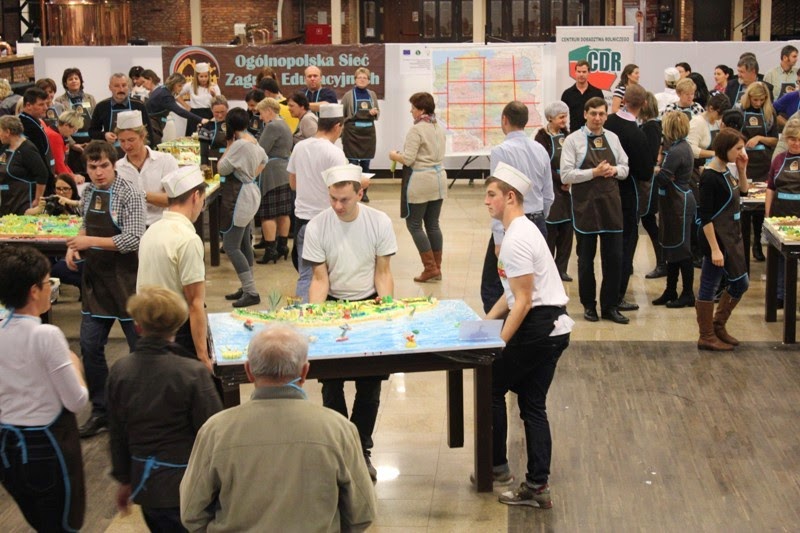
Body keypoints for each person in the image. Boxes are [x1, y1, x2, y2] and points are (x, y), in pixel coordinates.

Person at [179, 326, 377, 531]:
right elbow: (363, 513)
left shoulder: (215, 431)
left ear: (249, 371)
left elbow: (191, 512)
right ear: (304, 372)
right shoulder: (340, 430)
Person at [482, 162, 572, 508]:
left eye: (491, 195)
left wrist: (498, 343)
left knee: (491, 384)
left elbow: (522, 302)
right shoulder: (522, 230)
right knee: (533, 403)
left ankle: (496, 467)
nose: (486, 201)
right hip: (554, 326)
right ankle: (537, 485)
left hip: (539, 326)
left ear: (510, 197)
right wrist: (484, 322)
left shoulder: (516, 239)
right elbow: (511, 295)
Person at [305, 163, 397, 482]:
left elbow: (383, 273)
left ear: (360, 192)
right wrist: (315, 318)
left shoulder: (379, 222)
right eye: (332, 198)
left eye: (344, 199)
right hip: (333, 306)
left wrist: (386, 311)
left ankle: (360, 450)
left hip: (369, 305)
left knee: (370, 385)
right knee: (331, 384)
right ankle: (340, 450)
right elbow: (320, 279)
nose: (337, 206)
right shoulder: (317, 226)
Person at [107, 286, 222, 532]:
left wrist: (124, 479)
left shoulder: (120, 371)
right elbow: (213, 432)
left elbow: (117, 433)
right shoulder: (192, 373)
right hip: (189, 486)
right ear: (178, 325)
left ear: (137, 326)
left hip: (146, 486)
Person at [0, 246, 89, 532]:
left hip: (7, 447)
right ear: (34, 291)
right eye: (47, 282)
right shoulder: (46, 335)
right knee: (62, 525)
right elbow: (76, 401)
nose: (51, 288)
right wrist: (75, 364)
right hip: (46, 447)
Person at [66, 140, 145, 437]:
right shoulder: (88, 192)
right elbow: (85, 223)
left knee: (140, 350)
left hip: (126, 282)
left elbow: (133, 239)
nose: (98, 172)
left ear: (114, 165)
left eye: (104, 166)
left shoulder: (130, 193)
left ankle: (139, 412)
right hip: (96, 281)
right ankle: (102, 409)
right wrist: (74, 245)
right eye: (92, 167)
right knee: (89, 347)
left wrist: (89, 242)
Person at [561, 97, 630, 324]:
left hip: (610, 205)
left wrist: (614, 170)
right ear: (585, 114)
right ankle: (589, 306)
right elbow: (566, 175)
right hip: (585, 206)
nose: (597, 118)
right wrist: (594, 173)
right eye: (593, 114)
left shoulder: (613, 138)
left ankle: (610, 306)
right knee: (585, 260)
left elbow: (626, 168)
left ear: (606, 115)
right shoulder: (573, 140)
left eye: (601, 114)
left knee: (614, 259)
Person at [479, 100, 553, 311]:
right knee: (534, 282)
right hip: (537, 220)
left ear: (504, 120)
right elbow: (548, 195)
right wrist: (539, 217)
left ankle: (500, 327)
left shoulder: (501, 151)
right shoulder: (540, 149)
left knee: (493, 285)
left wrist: (498, 238)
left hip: (511, 223)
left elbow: (497, 195)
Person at [137, 164, 213, 369]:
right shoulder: (187, 239)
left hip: (148, 327)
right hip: (178, 332)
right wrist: (203, 356)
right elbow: (195, 303)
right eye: (203, 200)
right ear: (196, 196)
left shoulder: (152, 231)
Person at [288, 103, 351, 301]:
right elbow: (342, 189)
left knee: (306, 275)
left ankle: (303, 315)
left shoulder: (299, 147)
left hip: (302, 220)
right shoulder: (335, 153)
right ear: (338, 126)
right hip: (327, 220)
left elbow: (293, 183)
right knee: (331, 276)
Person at [696, 129, 749, 351]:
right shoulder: (710, 176)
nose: (742, 152)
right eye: (738, 148)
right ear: (724, 148)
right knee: (709, 284)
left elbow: (743, 192)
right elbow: (705, 217)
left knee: (741, 282)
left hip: (732, 237)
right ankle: (706, 335)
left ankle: (718, 326)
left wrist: (742, 169)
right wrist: (715, 249)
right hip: (716, 239)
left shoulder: (727, 169)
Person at [604, 84, 653, 313]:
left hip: (604, 191)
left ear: (623, 100)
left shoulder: (608, 123)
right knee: (625, 246)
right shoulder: (637, 134)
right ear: (644, 104)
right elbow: (644, 172)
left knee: (608, 246)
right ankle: (617, 297)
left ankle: (606, 294)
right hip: (627, 193)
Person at [389, 92, 448, 283]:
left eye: (413, 108)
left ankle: (430, 268)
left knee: (414, 225)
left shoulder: (416, 130)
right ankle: (437, 268)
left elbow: (408, 159)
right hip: (439, 180)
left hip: (421, 181)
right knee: (433, 224)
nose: (411, 111)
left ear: (421, 110)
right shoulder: (438, 127)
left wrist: (393, 156)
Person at [218, 107, 267, 308]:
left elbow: (222, 168)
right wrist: (251, 175)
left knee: (231, 246)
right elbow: (265, 159)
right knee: (245, 243)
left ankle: (251, 291)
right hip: (250, 191)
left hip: (239, 197)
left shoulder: (238, 144)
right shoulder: (252, 140)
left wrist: (229, 146)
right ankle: (247, 286)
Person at [652, 111, 696, 308]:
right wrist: (663, 173)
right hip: (671, 202)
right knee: (671, 248)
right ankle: (670, 290)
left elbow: (663, 178)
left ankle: (687, 293)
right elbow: (666, 176)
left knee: (682, 249)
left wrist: (657, 171)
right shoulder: (678, 147)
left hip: (679, 203)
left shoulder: (678, 150)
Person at [114, 110, 177, 227]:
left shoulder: (165, 161)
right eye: (122, 141)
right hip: (130, 228)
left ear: (142, 136)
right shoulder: (118, 168)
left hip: (161, 225)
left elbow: (173, 199)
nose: (126, 146)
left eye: (131, 140)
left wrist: (139, 194)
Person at [740, 82, 778, 263]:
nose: (758, 103)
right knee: (746, 205)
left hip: (763, 163)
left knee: (759, 207)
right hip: (745, 162)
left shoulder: (769, 113)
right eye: (755, 100)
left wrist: (760, 137)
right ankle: (744, 247)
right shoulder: (740, 111)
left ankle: (757, 244)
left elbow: (775, 140)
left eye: (761, 100)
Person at [765, 118, 800, 308]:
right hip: (780, 213)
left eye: (799, 140)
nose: (796, 143)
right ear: (786, 139)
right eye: (792, 139)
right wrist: (767, 216)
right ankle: (780, 295)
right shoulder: (779, 159)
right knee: (779, 257)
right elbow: (770, 188)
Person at [536, 101, 573, 282]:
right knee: (551, 232)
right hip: (551, 187)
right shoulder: (541, 137)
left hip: (567, 189)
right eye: (561, 117)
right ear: (550, 118)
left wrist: (570, 179)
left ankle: (562, 269)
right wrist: (561, 179)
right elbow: (543, 166)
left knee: (567, 232)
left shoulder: (568, 135)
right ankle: (549, 270)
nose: (564, 121)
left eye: (566, 117)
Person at [255, 97, 293, 265]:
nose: (260, 117)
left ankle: (270, 250)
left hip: (271, 174)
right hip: (284, 171)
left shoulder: (272, 126)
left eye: (261, 113)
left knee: (268, 213)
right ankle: (282, 246)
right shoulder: (284, 123)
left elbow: (260, 150)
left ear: (269, 111)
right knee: (283, 212)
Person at [341, 67, 379, 203]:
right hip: (352, 134)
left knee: (366, 165)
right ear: (355, 80)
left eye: (365, 78)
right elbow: (342, 114)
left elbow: (378, 112)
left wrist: (375, 112)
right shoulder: (348, 95)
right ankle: (353, 192)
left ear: (368, 81)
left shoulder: (372, 95)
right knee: (353, 165)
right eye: (359, 77)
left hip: (368, 134)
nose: (362, 80)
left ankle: (364, 193)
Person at [90, 73, 153, 153]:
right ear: (110, 87)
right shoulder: (101, 106)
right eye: (117, 86)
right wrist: (104, 135)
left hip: (136, 152)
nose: (121, 89)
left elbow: (148, 132)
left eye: (124, 85)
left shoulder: (139, 105)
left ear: (128, 86)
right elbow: (92, 132)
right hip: (112, 153)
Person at [0, 115, 50, 215]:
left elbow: (42, 174)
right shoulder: (5, 147)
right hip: (7, 199)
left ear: (8, 132)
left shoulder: (27, 149)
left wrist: (37, 199)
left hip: (23, 201)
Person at [639, 92, 666, 279]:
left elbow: (649, 154)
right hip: (647, 179)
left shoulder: (651, 127)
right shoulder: (651, 125)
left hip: (648, 181)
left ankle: (662, 262)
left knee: (649, 221)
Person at [147, 73, 208, 146]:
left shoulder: (162, 89)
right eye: (179, 86)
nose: (181, 88)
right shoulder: (166, 96)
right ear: (173, 84)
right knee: (155, 147)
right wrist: (201, 119)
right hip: (152, 124)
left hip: (153, 122)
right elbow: (180, 111)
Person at [55, 67, 96, 174]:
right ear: (65, 83)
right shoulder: (59, 101)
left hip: (90, 143)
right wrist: (73, 144)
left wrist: (91, 142)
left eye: (76, 78)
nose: (74, 81)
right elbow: (60, 125)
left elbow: (96, 120)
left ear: (80, 81)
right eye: (70, 79)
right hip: (70, 143)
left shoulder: (90, 98)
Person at [561, 59, 604, 133]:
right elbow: (561, 116)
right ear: (575, 72)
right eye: (579, 71)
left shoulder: (597, 93)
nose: (581, 74)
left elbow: (602, 114)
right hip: (573, 133)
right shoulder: (567, 94)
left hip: (594, 133)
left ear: (588, 73)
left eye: (584, 72)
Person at [19, 87, 54, 176]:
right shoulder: (28, 126)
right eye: (41, 104)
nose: (46, 108)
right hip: (33, 178)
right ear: (28, 105)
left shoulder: (33, 122)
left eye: (46, 104)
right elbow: (38, 158)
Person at [178, 62, 219, 135]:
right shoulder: (190, 85)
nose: (204, 79)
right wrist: (186, 106)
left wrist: (214, 95)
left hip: (209, 114)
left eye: (206, 76)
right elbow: (176, 94)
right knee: (192, 137)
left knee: (208, 137)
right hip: (194, 115)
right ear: (196, 76)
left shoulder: (214, 86)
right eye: (201, 76)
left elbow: (220, 102)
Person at [46, 109, 85, 182]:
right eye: (74, 130)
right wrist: (72, 178)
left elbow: (63, 163)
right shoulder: (55, 136)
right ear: (66, 125)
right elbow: (58, 164)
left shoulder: (52, 131)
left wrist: (72, 175)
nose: (73, 133)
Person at [198, 94, 228, 166]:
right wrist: (204, 165)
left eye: (222, 112)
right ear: (211, 110)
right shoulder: (206, 128)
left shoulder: (234, 124)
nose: (220, 115)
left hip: (232, 162)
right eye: (216, 112)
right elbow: (204, 151)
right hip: (214, 163)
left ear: (227, 109)